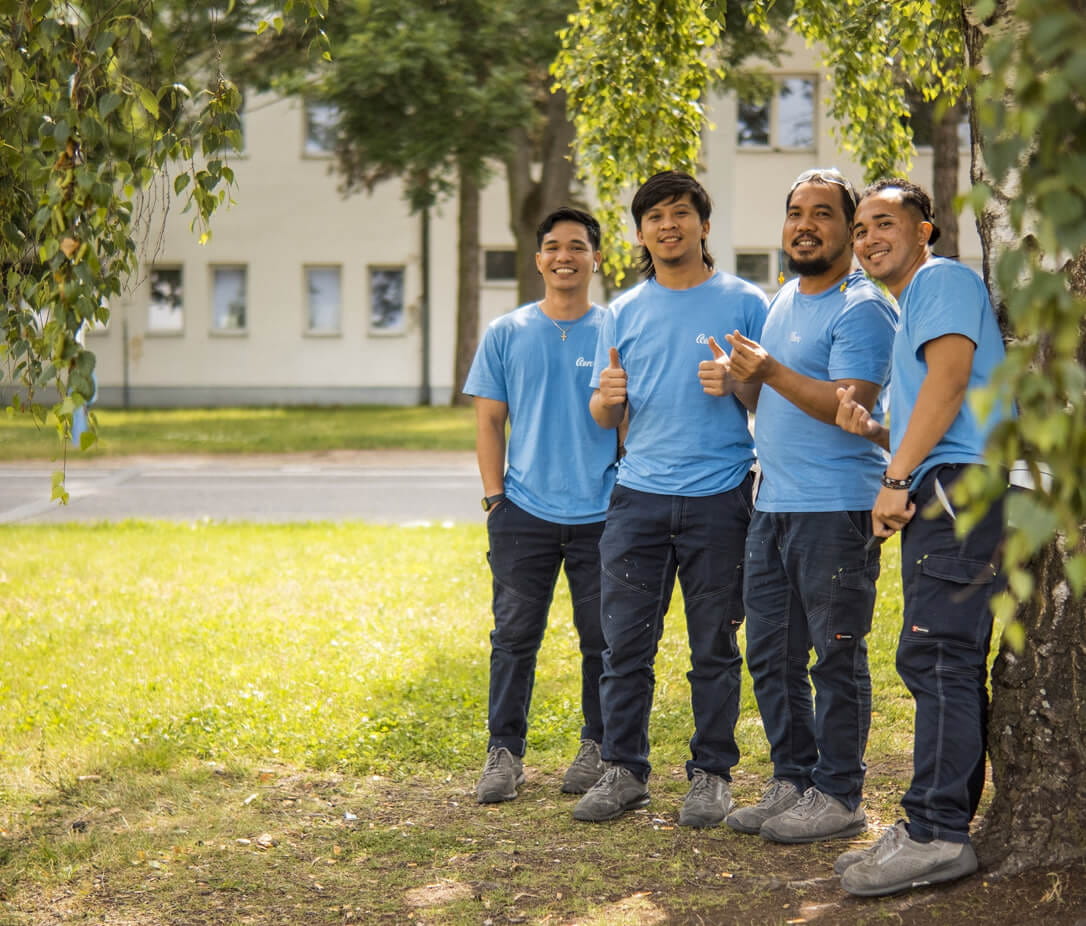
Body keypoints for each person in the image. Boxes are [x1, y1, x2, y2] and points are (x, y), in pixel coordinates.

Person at [572, 170, 769, 827]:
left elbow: (770, 397)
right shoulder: (622, 311)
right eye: (654, 217)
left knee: (714, 647)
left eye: (680, 213)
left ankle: (711, 776)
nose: (667, 225)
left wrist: (739, 383)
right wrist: (607, 400)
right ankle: (623, 771)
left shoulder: (746, 302)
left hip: (721, 497)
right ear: (640, 234)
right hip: (638, 498)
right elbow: (606, 412)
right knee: (624, 647)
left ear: (704, 225)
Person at [833, 179, 1010, 896]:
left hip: (956, 490)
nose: (868, 238)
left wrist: (896, 477)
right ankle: (936, 825)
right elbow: (947, 407)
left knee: (937, 656)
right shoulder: (918, 303)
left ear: (924, 230)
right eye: (860, 230)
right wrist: (881, 435)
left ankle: (937, 834)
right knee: (944, 657)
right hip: (950, 483)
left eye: (884, 223)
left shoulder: (939, 281)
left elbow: (951, 380)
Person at [721, 169, 897, 843]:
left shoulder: (863, 306)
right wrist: (740, 380)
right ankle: (792, 781)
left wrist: (768, 370)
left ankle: (840, 794)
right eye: (796, 212)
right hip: (773, 503)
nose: (804, 225)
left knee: (835, 656)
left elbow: (850, 403)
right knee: (771, 655)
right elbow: (766, 398)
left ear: (849, 230)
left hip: (837, 508)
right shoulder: (782, 299)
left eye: (822, 213)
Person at [463, 207, 619, 804]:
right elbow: (489, 422)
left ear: (596, 259)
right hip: (522, 513)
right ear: (538, 260)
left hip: (602, 512)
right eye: (553, 246)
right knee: (513, 638)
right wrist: (495, 499)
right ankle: (504, 752)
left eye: (577, 246)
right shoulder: (507, 332)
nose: (564, 257)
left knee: (602, 641)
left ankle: (596, 746)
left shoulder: (615, 329)